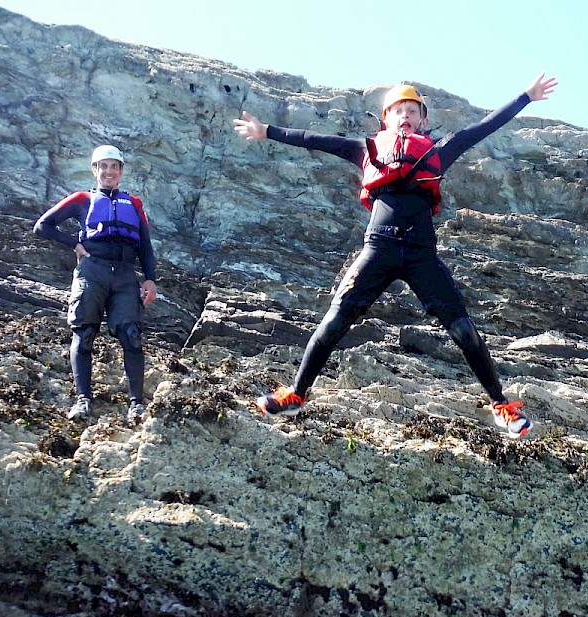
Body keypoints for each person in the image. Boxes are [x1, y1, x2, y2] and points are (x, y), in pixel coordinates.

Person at [233, 73, 557, 437]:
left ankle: (501, 406)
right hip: (379, 249)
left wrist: (526, 97)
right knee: (336, 320)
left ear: (423, 119)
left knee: (464, 330)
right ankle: (296, 394)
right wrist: (268, 131)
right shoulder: (365, 148)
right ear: (386, 118)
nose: (405, 116)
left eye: (412, 110)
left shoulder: (439, 151)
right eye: (398, 110)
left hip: (421, 254)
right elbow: (314, 140)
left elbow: (484, 126)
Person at [34, 144, 158, 422]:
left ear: (121, 171)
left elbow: (146, 247)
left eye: (114, 166)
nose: (109, 171)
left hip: (125, 275)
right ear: (95, 170)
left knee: (131, 335)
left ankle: (137, 405)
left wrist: (150, 279)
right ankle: (82, 401)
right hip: (92, 271)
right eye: (103, 166)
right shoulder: (82, 199)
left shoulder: (135, 204)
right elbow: (43, 225)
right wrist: (74, 244)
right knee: (85, 332)